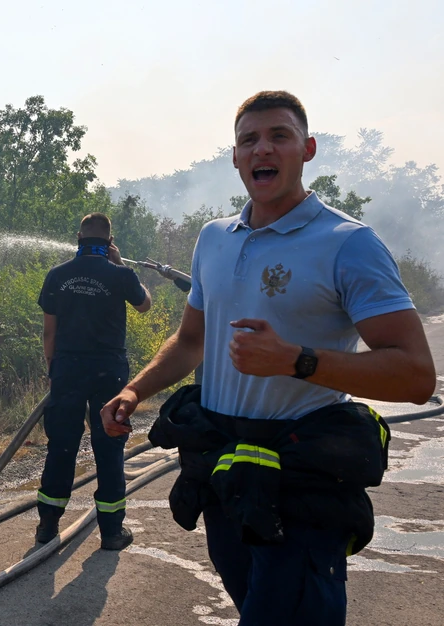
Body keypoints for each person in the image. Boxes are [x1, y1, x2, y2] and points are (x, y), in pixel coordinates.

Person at [101, 91, 436, 624]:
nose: (264, 148)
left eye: (279, 136)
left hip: (301, 478)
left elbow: (416, 375)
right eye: (249, 140)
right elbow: (191, 340)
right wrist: (135, 390)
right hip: (226, 471)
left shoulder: (348, 242)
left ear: (308, 149)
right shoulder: (214, 238)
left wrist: (297, 361)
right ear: (235, 158)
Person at [35, 212, 152, 550]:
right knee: (110, 446)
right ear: (110, 242)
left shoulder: (57, 275)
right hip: (109, 372)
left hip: (68, 369)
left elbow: (49, 331)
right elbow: (144, 304)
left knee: (61, 446)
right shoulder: (121, 274)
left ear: (78, 238)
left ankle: (47, 527)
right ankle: (112, 533)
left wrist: (52, 369)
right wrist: (118, 265)